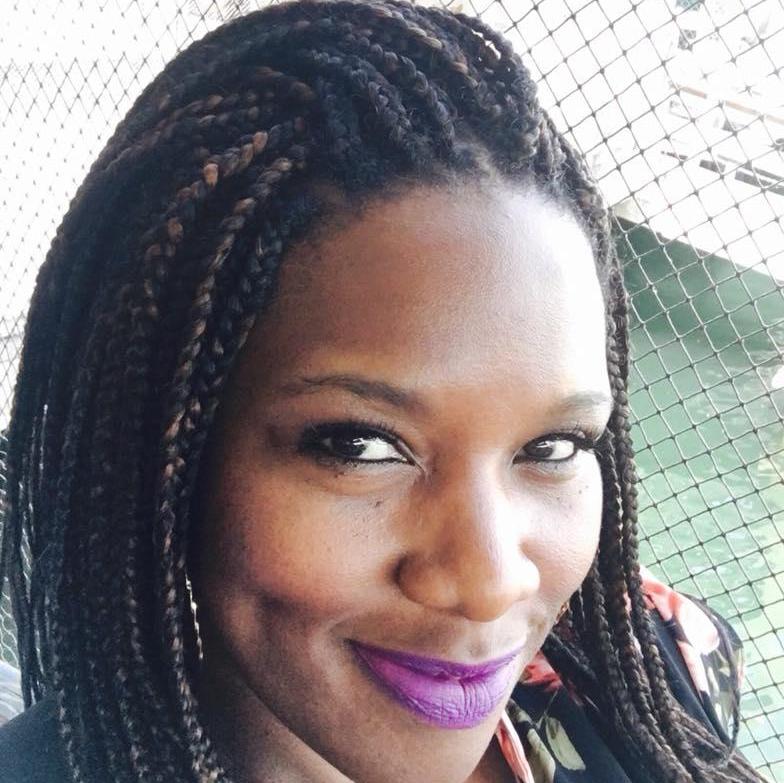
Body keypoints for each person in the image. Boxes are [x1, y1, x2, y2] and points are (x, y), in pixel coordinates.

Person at [0, 0, 766, 781]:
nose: (490, 583)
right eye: (360, 445)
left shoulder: (662, 666)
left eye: (554, 445)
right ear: (162, 452)